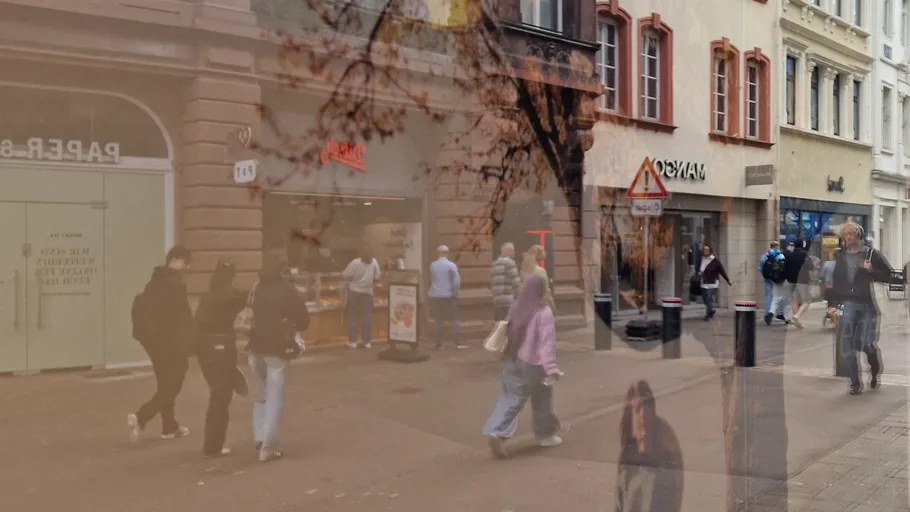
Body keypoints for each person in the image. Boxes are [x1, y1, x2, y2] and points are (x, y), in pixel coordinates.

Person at [483, 273, 562, 458]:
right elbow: (546, 344)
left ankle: (497, 432)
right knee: (542, 400)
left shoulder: (516, 307)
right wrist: (551, 369)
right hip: (534, 364)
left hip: (512, 359)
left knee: (510, 398)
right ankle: (545, 436)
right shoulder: (544, 312)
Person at [248, 250, 310, 461]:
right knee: (275, 398)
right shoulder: (287, 290)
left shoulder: (256, 287)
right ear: (282, 268)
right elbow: (303, 319)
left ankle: (259, 435)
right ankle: (269, 446)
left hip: (255, 346)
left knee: (260, 394)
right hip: (277, 349)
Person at [128, 246, 194, 442]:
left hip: (153, 344)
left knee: (165, 383)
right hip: (171, 342)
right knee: (173, 384)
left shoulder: (154, 281)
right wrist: (191, 340)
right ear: (175, 259)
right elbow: (183, 316)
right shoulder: (176, 283)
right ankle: (141, 417)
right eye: (185, 262)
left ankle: (169, 427)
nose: (186, 267)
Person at [831, 222, 893, 395]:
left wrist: (872, 270)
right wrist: (832, 305)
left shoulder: (871, 254)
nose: (848, 238)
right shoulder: (841, 255)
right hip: (848, 302)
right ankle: (854, 383)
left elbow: (889, 275)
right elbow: (836, 280)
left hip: (868, 304)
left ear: (858, 235)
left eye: (851, 234)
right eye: (845, 235)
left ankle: (874, 370)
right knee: (847, 344)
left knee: (867, 344)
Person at [194, 260, 248, 458]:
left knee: (217, 393)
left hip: (205, 350)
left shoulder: (207, 297)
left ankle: (212, 444)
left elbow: (198, 323)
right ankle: (213, 446)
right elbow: (247, 299)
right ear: (231, 277)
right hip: (222, 349)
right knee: (221, 397)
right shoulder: (232, 297)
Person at [615, 380, 684, 512]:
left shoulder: (662, 468)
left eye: (647, 408)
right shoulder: (626, 465)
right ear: (630, 421)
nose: (642, 414)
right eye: (637, 410)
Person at [342, 248, 381, 349]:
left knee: (352, 317)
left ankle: (353, 341)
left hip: (354, 292)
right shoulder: (374, 262)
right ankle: (367, 342)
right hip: (368, 293)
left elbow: (345, 274)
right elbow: (377, 276)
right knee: (367, 317)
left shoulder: (355, 263)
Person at [428, 245, 465, 349]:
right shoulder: (451, 265)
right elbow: (456, 281)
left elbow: (432, 279)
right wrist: (454, 293)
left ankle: (439, 343)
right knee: (454, 318)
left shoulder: (433, 265)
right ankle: (457, 342)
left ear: (438, 253)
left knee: (438, 318)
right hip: (448, 295)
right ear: (447, 253)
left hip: (436, 295)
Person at [697, 244, 732, 321]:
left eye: (707, 250)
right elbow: (698, 269)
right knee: (705, 299)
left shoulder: (715, 261)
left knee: (709, 298)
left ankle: (708, 314)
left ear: (710, 251)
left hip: (712, 283)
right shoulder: (701, 259)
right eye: (704, 250)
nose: (705, 251)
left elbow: (722, 271)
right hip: (703, 283)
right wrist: (698, 274)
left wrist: (728, 280)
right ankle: (711, 310)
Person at [785, 239, 813, 329]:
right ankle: (797, 316)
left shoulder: (790, 255)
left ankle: (797, 320)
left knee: (795, 300)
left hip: (791, 280)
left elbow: (785, 267)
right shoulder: (805, 254)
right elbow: (811, 267)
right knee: (806, 300)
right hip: (803, 280)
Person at [521, 245, 556, 312]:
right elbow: (546, 291)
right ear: (539, 255)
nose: (546, 253)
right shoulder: (540, 271)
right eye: (544, 251)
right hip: (538, 306)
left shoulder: (524, 270)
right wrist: (552, 306)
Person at [491, 242, 521, 322]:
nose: (514, 252)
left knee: (499, 325)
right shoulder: (510, 263)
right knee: (509, 324)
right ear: (508, 251)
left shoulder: (495, 263)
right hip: (508, 300)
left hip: (497, 299)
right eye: (513, 250)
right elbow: (516, 282)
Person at [759, 241, 786, 324]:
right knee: (780, 295)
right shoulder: (780, 255)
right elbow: (783, 267)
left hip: (767, 278)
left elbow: (760, 268)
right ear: (777, 246)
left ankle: (768, 313)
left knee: (768, 295)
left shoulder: (765, 256)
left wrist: (767, 275)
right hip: (778, 279)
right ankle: (780, 313)